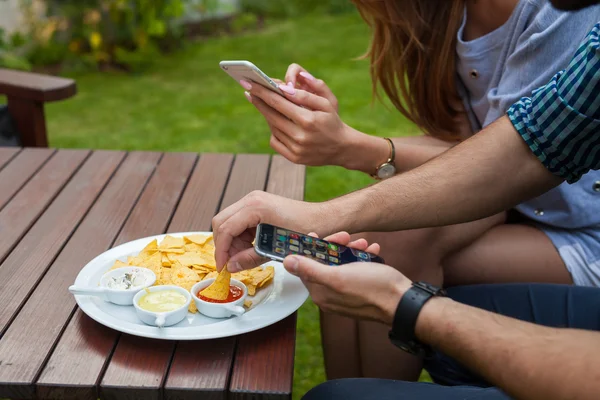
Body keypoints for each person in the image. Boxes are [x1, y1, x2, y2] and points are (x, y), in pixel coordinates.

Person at [211, 1, 600, 397]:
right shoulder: (445, 15)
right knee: (356, 245)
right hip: (515, 206)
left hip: (576, 228)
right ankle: (352, 388)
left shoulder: (561, 13)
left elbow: (525, 166)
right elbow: (492, 150)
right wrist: (337, 165)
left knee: (390, 249)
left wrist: (348, 149)